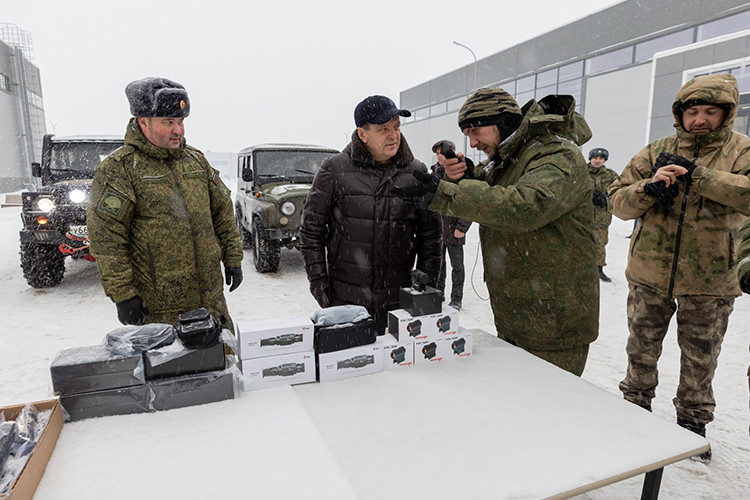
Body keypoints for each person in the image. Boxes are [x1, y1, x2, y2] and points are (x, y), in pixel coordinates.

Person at [393, 87, 599, 376]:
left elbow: (526, 205)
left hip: (555, 325)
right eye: (467, 134)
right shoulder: (511, 157)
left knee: (548, 411)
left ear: (502, 120)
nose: (473, 142)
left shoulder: (557, 154)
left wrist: (445, 195)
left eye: (476, 131)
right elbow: (493, 186)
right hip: (520, 315)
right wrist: (468, 175)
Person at [608, 73, 750, 462]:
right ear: (680, 114)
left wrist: (699, 176)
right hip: (649, 273)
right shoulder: (656, 150)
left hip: (711, 279)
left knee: (701, 355)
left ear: (726, 113)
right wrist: (648, 189)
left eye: (709, 111)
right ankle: (634, 405)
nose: (700, 119)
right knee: (641, 346)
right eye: (692, 111)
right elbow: (616, 202)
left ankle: (692, 422)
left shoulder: (742, 151)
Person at [87, 77, 243, 332]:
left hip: (211, 301)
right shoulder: (121, 169)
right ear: (143, 122)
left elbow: (222, 212)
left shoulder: (195, 161)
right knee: (171, 368)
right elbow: (107, 237)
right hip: (162, 308)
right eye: (168, 122)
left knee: (221, 364)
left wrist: (233, 257)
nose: (178, 130)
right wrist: (123, 293)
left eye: (180, 122)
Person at [299, 95, 442, 334]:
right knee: (354, 367)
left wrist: (426, 286)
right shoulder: (334, 170)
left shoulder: (416, 172)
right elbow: (311, 233)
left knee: (403, 369)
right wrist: (319, 284)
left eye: (396, 127)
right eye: (383, 128)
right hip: (346, 301)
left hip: (400, 302)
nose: (393, 135)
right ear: (362, 134)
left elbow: (431, 236)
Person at [430, 140, 471, 311]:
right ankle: (439, 293)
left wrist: (462, 227)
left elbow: (468, 203)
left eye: (443, 152)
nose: (440, 156)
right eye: (437, 153)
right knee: (439, 265)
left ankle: (456, 299)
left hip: (455, 230)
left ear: (452, 152)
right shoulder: (433, 174)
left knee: (457, 267)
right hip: (438, 229)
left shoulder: (461, 172)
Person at [587, 147, 620, 282]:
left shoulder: (611, 175)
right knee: (581, 243)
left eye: (601, 158)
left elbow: (618, 192)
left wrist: (605, 199)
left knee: (600, 243)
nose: (597, 161)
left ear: (605, 160)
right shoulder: (581, 172)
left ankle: (599, 269)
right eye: (595, 158)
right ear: (590, 159)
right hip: (584, 215)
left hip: (602, 217)